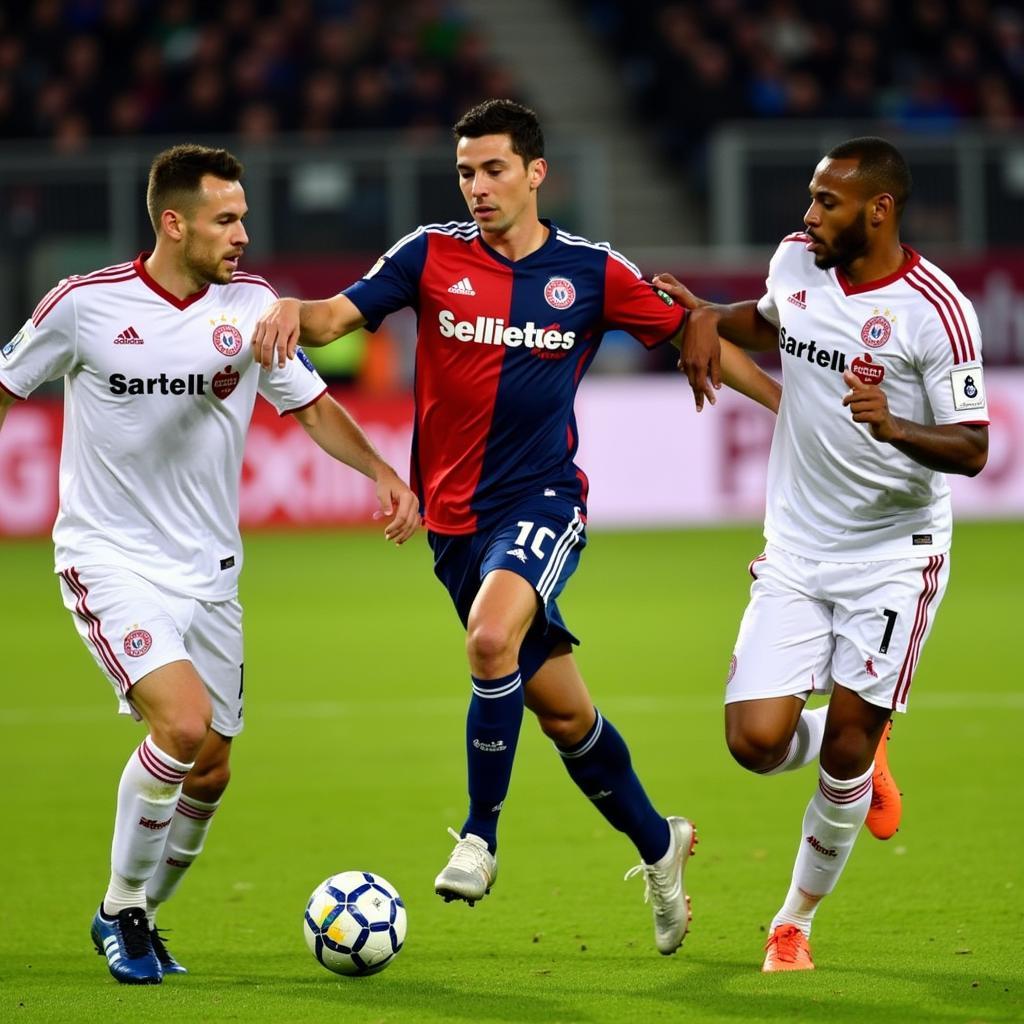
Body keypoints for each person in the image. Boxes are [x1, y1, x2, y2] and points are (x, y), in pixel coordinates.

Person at [252, 99, 782, 955]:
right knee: (566, 718)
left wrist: (785, 407)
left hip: (541, 502)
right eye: (466, 172)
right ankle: (661, 846)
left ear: (536, 172)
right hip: (453, 529)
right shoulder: (429, 256)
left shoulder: (590, 271)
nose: (477, 188)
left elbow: (697, 333)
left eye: (494, 169)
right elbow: (336, 318)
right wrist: (283, 307)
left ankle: (478, 836)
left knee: (489, 642)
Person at [0, 144, 419, 985]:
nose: (242, 234)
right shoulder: (84, 306)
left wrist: (380, 471)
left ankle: (147, 916)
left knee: (214, 761)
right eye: (226, 219)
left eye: (244, 218)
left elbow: (310, 406)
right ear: (174, 222)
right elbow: (7, 387)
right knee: (181, 727)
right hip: (109, 556)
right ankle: (119, 907)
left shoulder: (253, 306)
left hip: (212, 571)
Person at [657, 136, 988, 971]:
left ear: (879, 209)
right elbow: (763, 326)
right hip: (798, 547)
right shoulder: (797, 262)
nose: (809, 214)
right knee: (754, 742)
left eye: (828, 202)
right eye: (810, 197)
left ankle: (793, 920)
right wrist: (700, 317)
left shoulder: (936, 310)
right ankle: (861, 740)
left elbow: (975, 448)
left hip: (894, 555)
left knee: (841, 750)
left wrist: (895, 425)